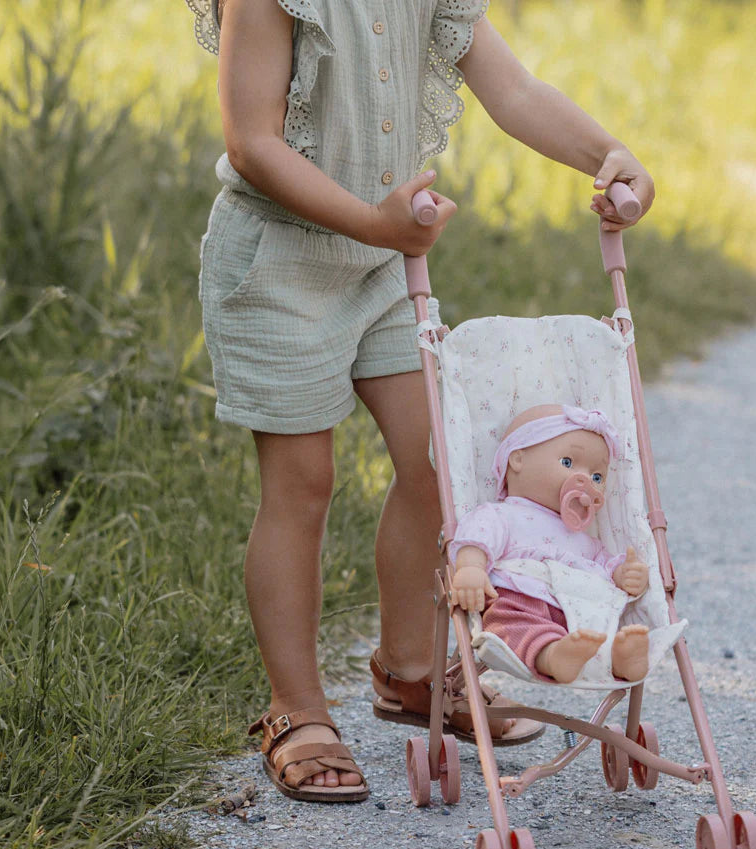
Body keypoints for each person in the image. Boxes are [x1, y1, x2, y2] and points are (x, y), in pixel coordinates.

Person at [185, 0, 655, 802]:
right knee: (303, 483)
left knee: (440, 457)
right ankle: (295, 710)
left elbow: (515, 89)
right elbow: (252, 141)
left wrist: (608, 154)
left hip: (381, 267)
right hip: (278, 268)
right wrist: (375, 221)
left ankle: (406, 669)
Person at [449, 404, 652, 685]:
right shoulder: (502, 515)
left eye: (597, 477)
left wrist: (626, 574)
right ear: (517, 460)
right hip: (520, 601)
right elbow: (477, 539)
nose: (584, 483)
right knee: (511, 626)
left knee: (597, 629)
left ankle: (617, 658)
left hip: (578, 610)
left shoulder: (584, 537)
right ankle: (553, 655)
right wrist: (471, 569)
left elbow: (605, 564)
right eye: (567, 463)